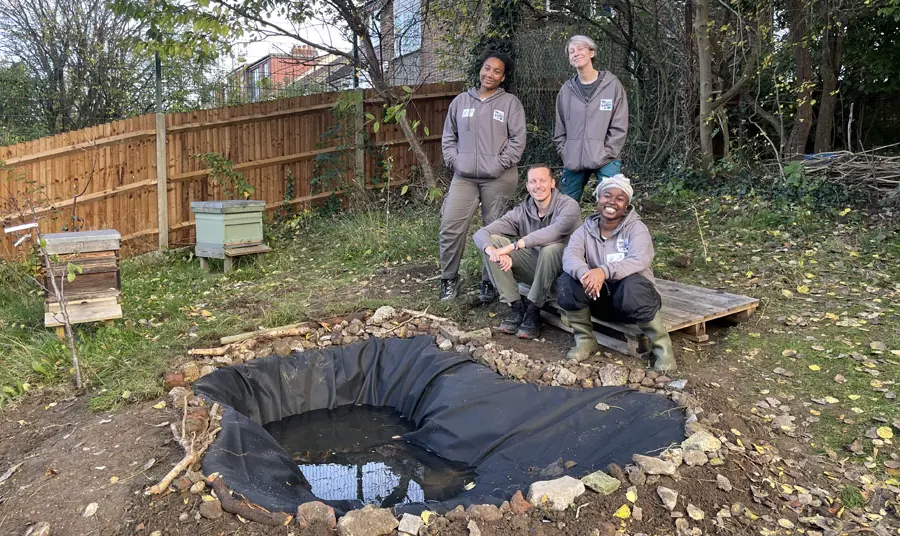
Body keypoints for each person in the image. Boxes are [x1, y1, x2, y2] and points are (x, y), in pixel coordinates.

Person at [556, 174, 675, 371]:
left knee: (633, 286)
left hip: (629, 304)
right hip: (597, 301)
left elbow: (640, 259)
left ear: (627, 204)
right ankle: (585, 340)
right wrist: (586, 273)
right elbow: (570, 256)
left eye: (620, 198)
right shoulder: (584, 230)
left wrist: (603, 271)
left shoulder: (637, 229)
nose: (612, 202)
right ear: (598, 199)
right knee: (567, 283)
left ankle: (663, 349)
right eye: (607, 196)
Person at [439, 50, 526, 302]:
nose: (490, 74)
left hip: (499, 177)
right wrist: (455, 161)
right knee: (450, 226)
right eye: (487, 68)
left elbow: (518, 140)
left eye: (497, 71)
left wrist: (499, 164)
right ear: (481, 69)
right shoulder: (460, 102)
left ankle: (490, 282)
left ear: (503, 77)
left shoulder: (510, 104)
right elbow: (448, 137)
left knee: (494, 231)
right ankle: (448, 280)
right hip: (464, 177)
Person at [472, 164, 581, 339]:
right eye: (533, 181)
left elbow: (555, 231)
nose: (538, 186)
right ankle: (516, 306)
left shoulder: (568, 206)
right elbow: (480, 233)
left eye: (543, 180)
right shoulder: (522, 211)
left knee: (550, 249)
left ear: (553, 183)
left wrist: (516, 245)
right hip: (536, 269)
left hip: (564, 274)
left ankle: (533, 309)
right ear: (528, 186)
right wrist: (493, 251)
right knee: (493, 241)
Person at [553, 35, 629, 203]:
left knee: (612, 206)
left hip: (606, 159)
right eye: (571, 51)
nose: (576, 53)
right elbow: (559, 127)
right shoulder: (566, 90)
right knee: (564, 210)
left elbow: (620, 124)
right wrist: (566, 151)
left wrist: (607, 152)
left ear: (592, 52)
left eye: (580, 49)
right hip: (573, 159)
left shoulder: (611, 86)